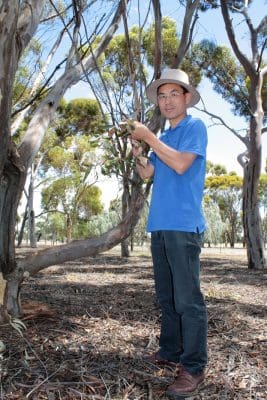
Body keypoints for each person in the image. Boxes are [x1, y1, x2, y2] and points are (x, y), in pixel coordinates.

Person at [130, 69, 208, 398]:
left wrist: (148, 138)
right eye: (162, 96)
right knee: (167, 296)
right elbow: (148, 172)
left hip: (183, 224)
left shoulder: (194, 128)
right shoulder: (164, 135)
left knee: (188, 300)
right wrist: (137, 152)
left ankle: (193, 367)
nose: (167, 100)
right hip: (160, 225)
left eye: (174, 94)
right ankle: (170, 350)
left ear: (187, 97)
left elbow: (180, 165)